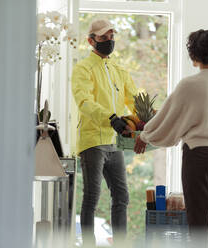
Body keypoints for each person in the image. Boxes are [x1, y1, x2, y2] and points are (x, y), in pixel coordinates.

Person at [134, 29, 208, 245]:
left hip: (199, 155)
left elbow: (167, 116)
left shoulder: (189, 84)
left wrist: (145, 134)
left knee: (197, 220)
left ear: (194, 52)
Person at [71, 19, 137, 246]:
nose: (109, 41)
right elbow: (84, 102)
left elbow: (134, 100)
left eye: (111, 37)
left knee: (122, 196)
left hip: (114, 141)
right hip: (92, 141)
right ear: (91, 41)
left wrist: (150, 118)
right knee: (92, 197)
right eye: (103, 37)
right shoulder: (83, 68)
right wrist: (111, 118)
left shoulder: (118, 70)